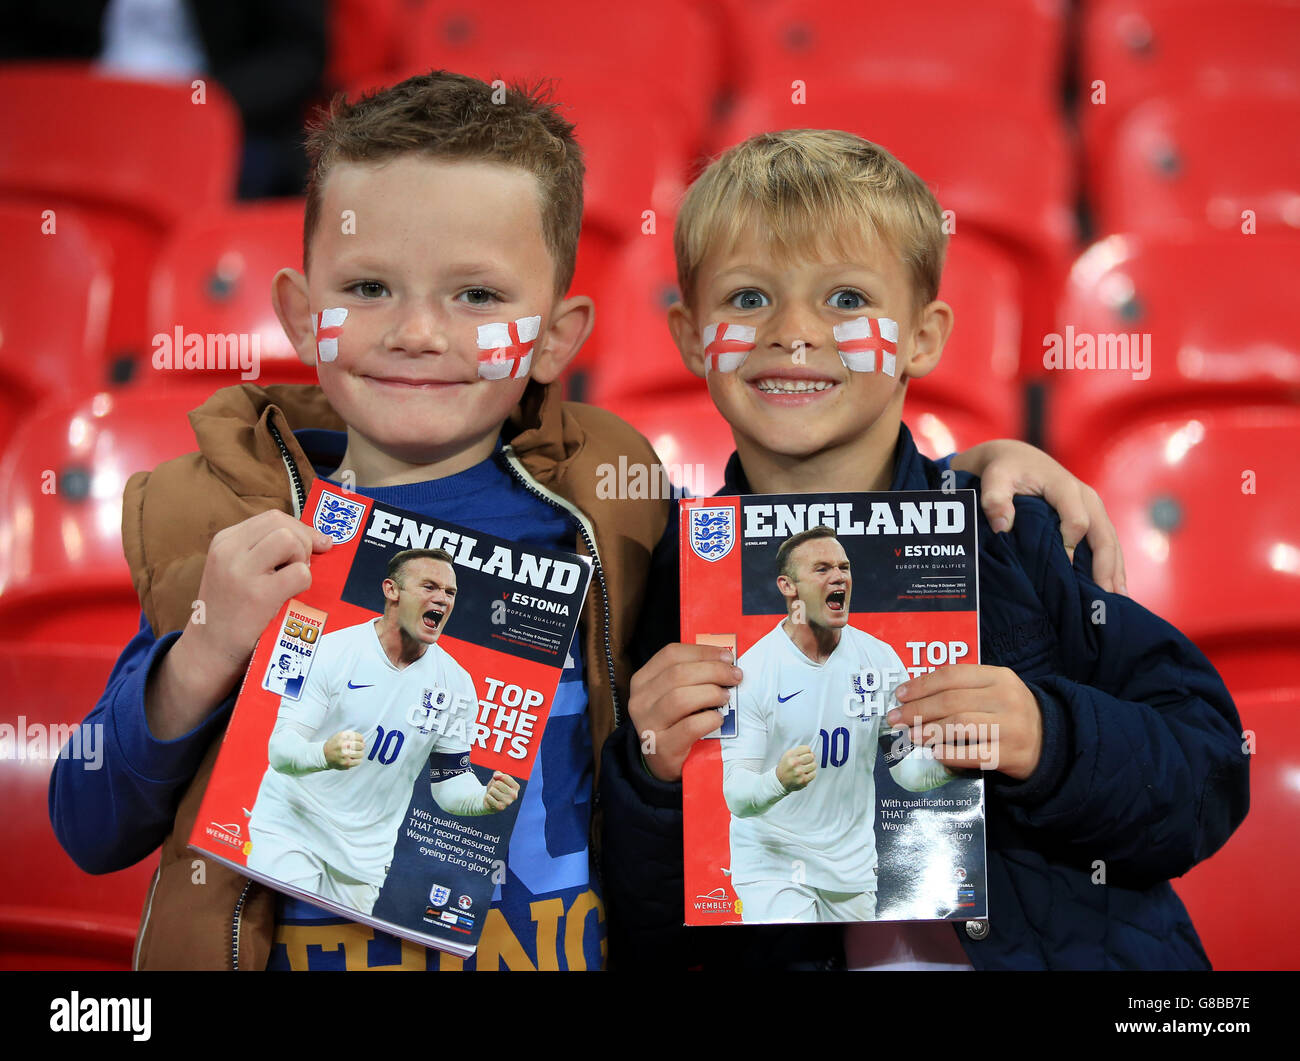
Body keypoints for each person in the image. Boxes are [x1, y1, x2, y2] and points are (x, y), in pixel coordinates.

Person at [48, 71, 1134, 971]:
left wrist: (975, 467)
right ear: (298, 313)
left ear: (561, 332)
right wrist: (201, 654)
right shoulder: (251, 530)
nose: (419, 332)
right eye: (368, 285)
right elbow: (88, 823)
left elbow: (803, 525)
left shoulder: (617, 520)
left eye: (477, 296)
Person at [600, 129, 1249, 971]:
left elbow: (1207, 773)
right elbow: (644, 932)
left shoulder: (1017, 529)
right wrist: (650, 783)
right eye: (749, 298)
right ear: (691, 337)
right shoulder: (674, 584)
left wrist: (1049, 739)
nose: (795, 333)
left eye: (844, 299)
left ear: (924, 337)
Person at [246, 548, 519, 917]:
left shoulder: (457, 684)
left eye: (450, 592)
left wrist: (482, 799)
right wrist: (323, 754)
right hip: (292, 825)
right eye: (429, 586)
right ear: (392, 591)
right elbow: (280, 750)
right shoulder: (330, 652)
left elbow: (449, 783)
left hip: (365, 858)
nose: (441, 598)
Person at [722, 526, 954, 924]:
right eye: (822, 568)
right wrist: (778, 779)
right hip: (772, 859)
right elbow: (737, 797)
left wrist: (954, 762)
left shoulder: (879, 661)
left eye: (844, 567)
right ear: (787, 587)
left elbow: (906, 770)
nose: (839, 577)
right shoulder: (751, 674)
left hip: (851, 867)